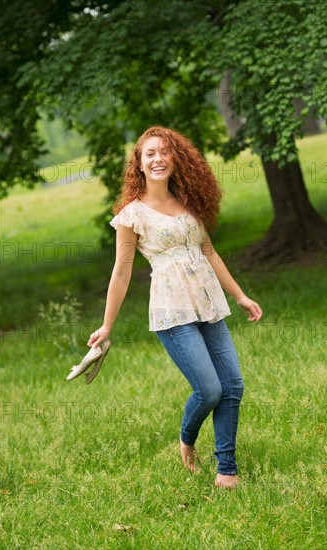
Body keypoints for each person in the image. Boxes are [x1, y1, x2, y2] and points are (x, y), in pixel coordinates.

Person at [88, 126, 263, 489]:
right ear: (138, 163)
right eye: (149, 153)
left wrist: (241, 296)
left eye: (164, 152)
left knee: (233, 385)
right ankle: (187, 439)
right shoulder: (131, 215)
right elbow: (121, 271)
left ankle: (226, 471)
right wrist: (106, 327)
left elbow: (209, 252)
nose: (157, 159)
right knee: (209, 390)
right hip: (172, 311)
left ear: (175, 159)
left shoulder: (188, 202)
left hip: (209, 304)